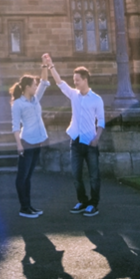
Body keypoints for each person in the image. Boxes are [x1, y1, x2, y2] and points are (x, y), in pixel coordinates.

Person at [43, 54, 104, 217]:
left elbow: (101, 121)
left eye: (77, 80)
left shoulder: (96, 99)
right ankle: (82, 201)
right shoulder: (74, 95)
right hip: (75, 141)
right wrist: (50, 65)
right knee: (76, 175)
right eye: (74, 79)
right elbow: (60, 83)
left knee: (94, 176)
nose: (75, 82)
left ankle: (93, 204)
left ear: (85, 80)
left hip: (90, 142)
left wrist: (97, 138)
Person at [10, 56, 50, 218]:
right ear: (27, 87)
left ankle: (29, 206)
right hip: (26, 143)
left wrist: (45, 65)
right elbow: (15, 126)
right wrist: (19, 145)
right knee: (22, 176)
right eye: (34, 85)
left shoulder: (35, 99)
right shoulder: (18, 104)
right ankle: (24, 208)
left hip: (38, 141)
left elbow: (44, 82)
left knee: (29, 177)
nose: (36, 87)